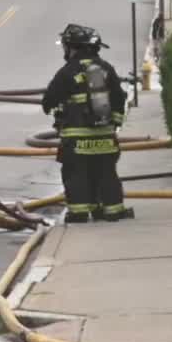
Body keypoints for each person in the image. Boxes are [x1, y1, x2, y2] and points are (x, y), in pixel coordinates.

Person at [42, 24, 131, 224]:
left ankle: (79, 213)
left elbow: (48, 101)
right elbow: (118, 99)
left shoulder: (67, 72)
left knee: (77, 176)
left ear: (72, 47)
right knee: (107, 174)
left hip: (76, 139)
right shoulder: (106, 69)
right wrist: (112, 126)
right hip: (106, 138)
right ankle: (112, 211)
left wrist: (59, 112)